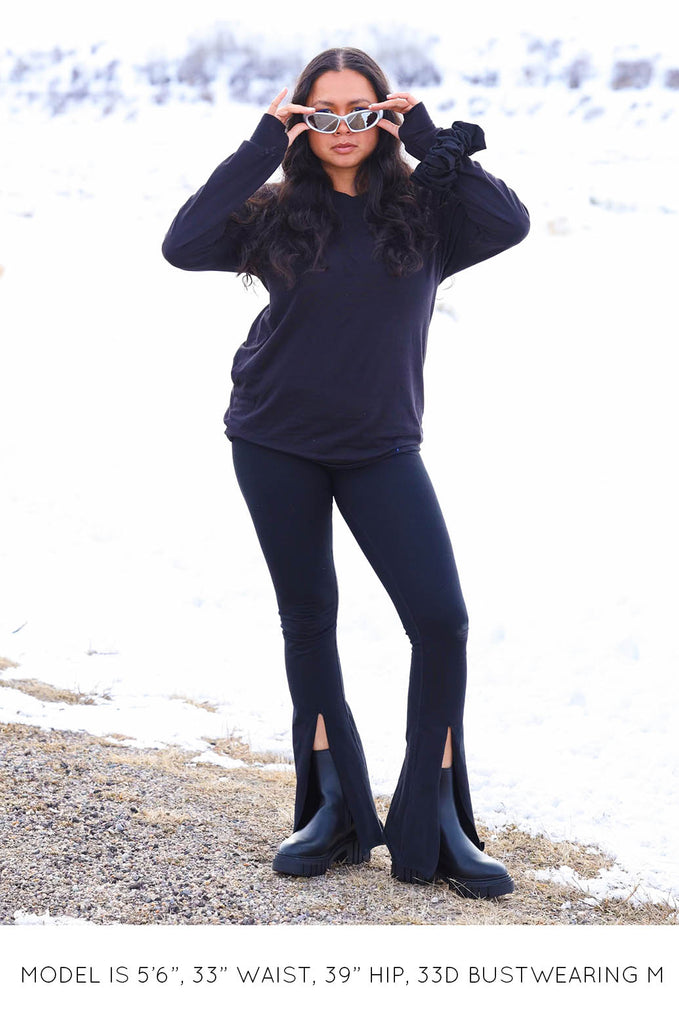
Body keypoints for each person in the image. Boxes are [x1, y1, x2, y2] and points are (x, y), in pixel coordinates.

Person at [162, 46, 529, 899]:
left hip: (380, 446)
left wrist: (430, 140)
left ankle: (433, 814)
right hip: (273, 438)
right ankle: (332, 807)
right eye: (320, 113)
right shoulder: (274, 212)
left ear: (383, 116)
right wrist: (262, 141)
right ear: (302, 121)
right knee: (309, 619)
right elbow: (182, 243)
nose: (341, 128)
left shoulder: (426, 211)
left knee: (439, 620)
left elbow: (508, 222)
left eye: (359, 112)